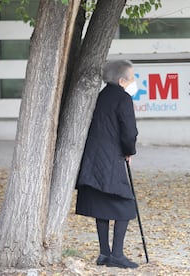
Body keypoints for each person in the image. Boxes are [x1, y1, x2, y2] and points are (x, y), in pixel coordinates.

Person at [75, 60, 139, 268]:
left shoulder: (99, 96)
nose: (134, 81)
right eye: (131, 77)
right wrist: (129, 150)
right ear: (121, 80)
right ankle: (117, 255)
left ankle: (104, 254)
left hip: (92, 157)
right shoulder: (123, 98)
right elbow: (129, 131)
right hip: (111, 158)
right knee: (127, 205)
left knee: (101, 204)